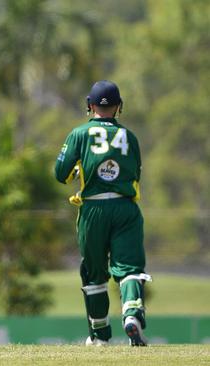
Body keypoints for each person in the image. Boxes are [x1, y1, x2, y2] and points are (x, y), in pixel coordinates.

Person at [54, 80, 151, 346]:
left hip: (93, 209)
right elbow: (134, 173)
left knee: (94, 273)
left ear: (90, 105)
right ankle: (131, 313)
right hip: (125, 208)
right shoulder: (130, 137)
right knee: (129, 268)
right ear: (119, 107)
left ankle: (99, 337)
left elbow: (60, 174)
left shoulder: (79, 134)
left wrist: (77, 172)